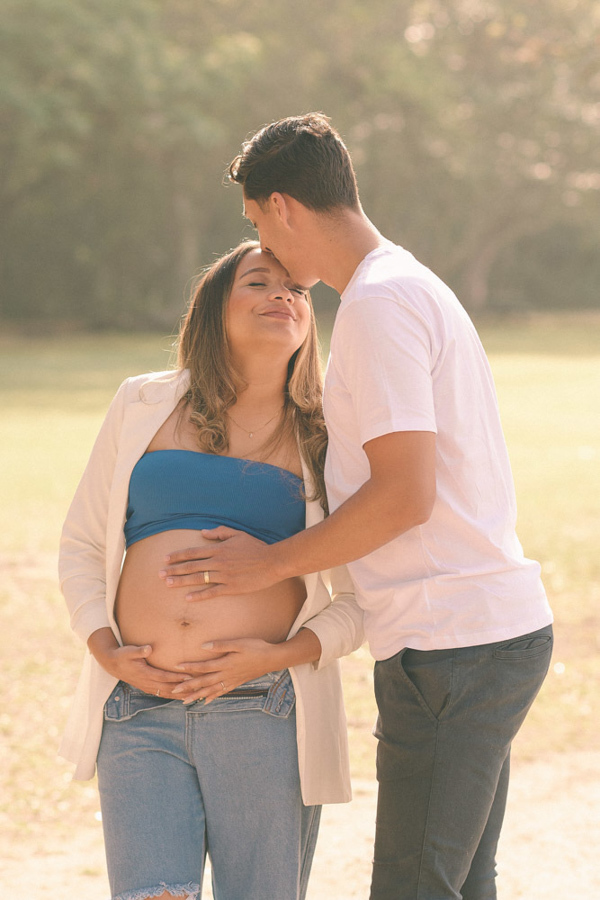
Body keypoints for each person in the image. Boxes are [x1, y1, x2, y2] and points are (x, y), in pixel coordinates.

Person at [160, 114, 554, 900]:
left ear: (283, 206)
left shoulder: (379, 303)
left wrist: (267, 566)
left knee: (414, 888)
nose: (267, 254)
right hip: (471, 639)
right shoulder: (405, 287)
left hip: (455, 649)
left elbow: (405, 495)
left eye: (258, 229)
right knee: (458, 883)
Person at [58, 239, 364, 900]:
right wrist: (104, 647)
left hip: (263, 710)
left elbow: (361, 599)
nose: (282, 295)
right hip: (138, 708)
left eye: (297, 290)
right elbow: (82, 543)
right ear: (214, 308)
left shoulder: (327, 437)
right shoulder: (142, 404)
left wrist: (278, 655)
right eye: (259, 282)